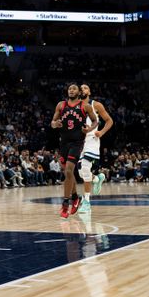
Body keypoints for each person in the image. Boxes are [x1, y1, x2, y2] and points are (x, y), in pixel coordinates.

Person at [50, 84, 97, 219]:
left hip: (77, 143)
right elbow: (52, 122)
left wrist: (89, 129)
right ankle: (76, 197)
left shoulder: (85, 106)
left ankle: (66, 203)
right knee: (68, 173)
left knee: (69, 171)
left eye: (74, 89)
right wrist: (55, 124)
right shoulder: (61, 105)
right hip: (63, 142)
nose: (71, 90)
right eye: (70, 89)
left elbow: (95, 121)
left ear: (79, 92)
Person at [77, 84, 114, 214]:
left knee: (86, 168)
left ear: (89, 92)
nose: (82, 89)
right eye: (80, 88)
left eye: (85, 87)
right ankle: (97, 179)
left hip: (92, 139)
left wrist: (101, 132)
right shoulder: (75, 106)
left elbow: (109, 121)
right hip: (79, 142)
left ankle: (86, 201)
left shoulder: (96, 105)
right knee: (82, 173)